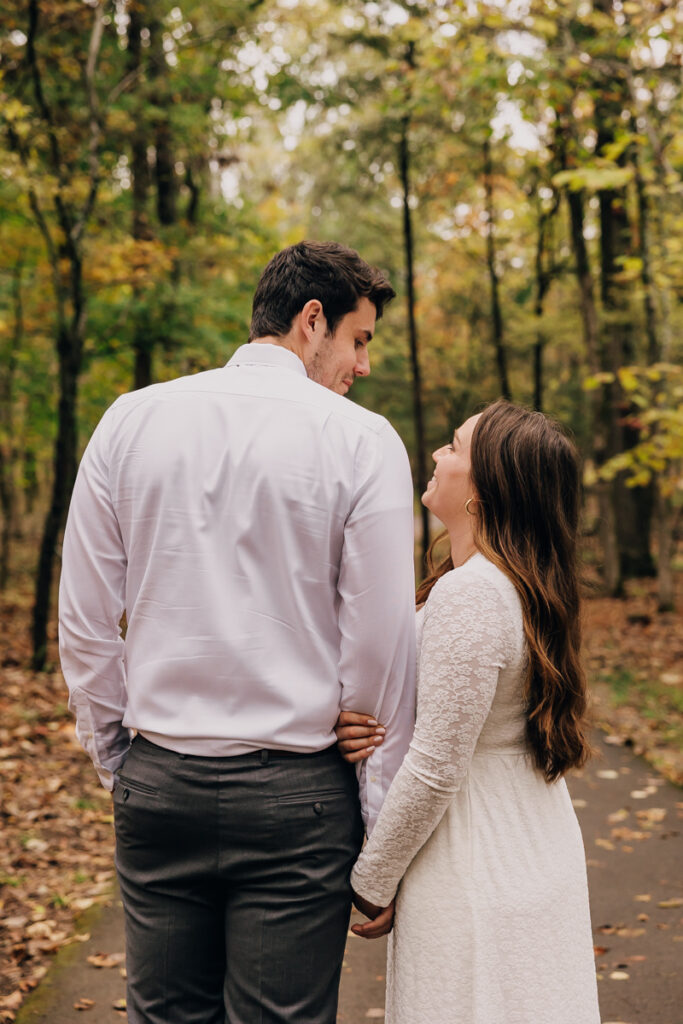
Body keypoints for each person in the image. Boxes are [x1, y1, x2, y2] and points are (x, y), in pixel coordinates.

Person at [58, 240, 417, 1024]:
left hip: (158, 782)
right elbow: (381, 647)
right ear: (310, 320)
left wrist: (117, 755)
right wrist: (378, 816)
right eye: (358, 340)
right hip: (297, 797)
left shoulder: (131, 418)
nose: (362, 366)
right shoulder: (361, 441)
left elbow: (85, 619)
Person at [336, 400, 601, 1024]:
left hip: (476, 856)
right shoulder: (505, 582)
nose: (436, 455)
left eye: (454, 448)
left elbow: (436, 763)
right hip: (522, 835)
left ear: (485, 490)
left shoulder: (474, 593)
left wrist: (371, 880)